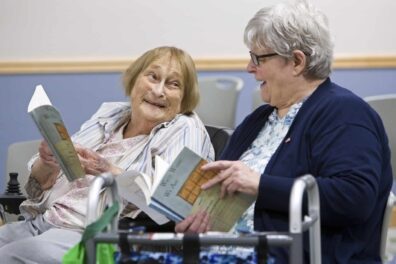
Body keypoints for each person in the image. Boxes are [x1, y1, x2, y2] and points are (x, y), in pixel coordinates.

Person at [176, 1, 393, 263]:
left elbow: (354, 196)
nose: (249, 68)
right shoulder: (259, 119)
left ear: (297, 61)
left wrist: (260, 185)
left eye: (258, 58)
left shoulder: (344, 113)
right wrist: (200, 220)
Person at [0, 46, 214, 263]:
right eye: (153, 77)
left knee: (9, 257)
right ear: (134, 79)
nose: (159, 91)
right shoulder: (110, 114)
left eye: (173, 84)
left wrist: (108, 170)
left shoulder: (186, 128)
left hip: (94, 235)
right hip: (45, 219)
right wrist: (49, 162)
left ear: (185, 97)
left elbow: (179, 203)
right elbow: (37, 189)